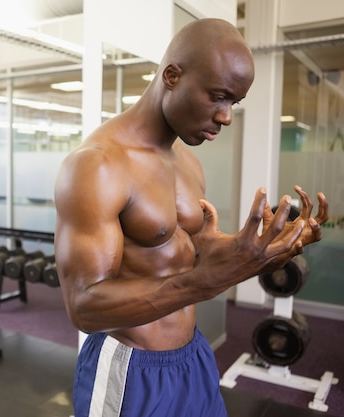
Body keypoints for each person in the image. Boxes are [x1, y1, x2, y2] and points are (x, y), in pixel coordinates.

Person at [53, 18, 329, 417]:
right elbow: (84, 307)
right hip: (130, 370)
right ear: (171, 76)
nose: (226, 117)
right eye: (218, 96)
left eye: (233, 102)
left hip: (192, 357)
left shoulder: (188, 163)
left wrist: (261, 251)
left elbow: (189, 251)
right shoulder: (98, 166)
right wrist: (204, 283)